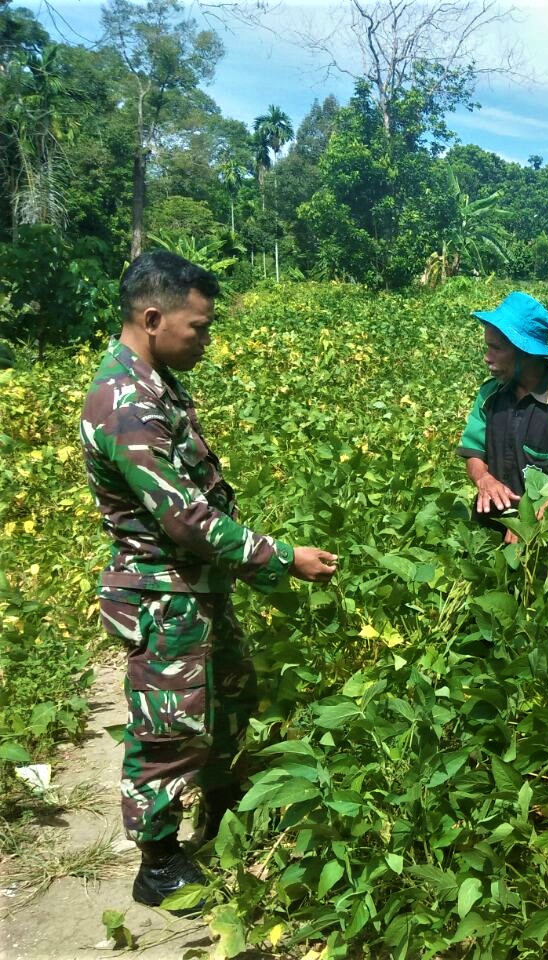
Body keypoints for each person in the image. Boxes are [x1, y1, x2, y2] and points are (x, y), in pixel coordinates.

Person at [80, 250, 338, 912]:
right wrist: (282, 559)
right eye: (198, 327)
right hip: (163, 591)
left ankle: (223, 810)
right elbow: (187, 519)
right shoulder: (127, 402)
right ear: (153, 316)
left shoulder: (155, 380)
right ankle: (158, 862)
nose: (206, 339)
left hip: (194, 587)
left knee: (227, 695)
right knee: (167, 728)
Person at [456, 292, 548, 543]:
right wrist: (484, 479)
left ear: (525, 351)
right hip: (487, 530)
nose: (487, 357)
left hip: (543, 540)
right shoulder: (490, 395)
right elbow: (473, 452)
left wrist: (532, 519)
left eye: (496, 348)